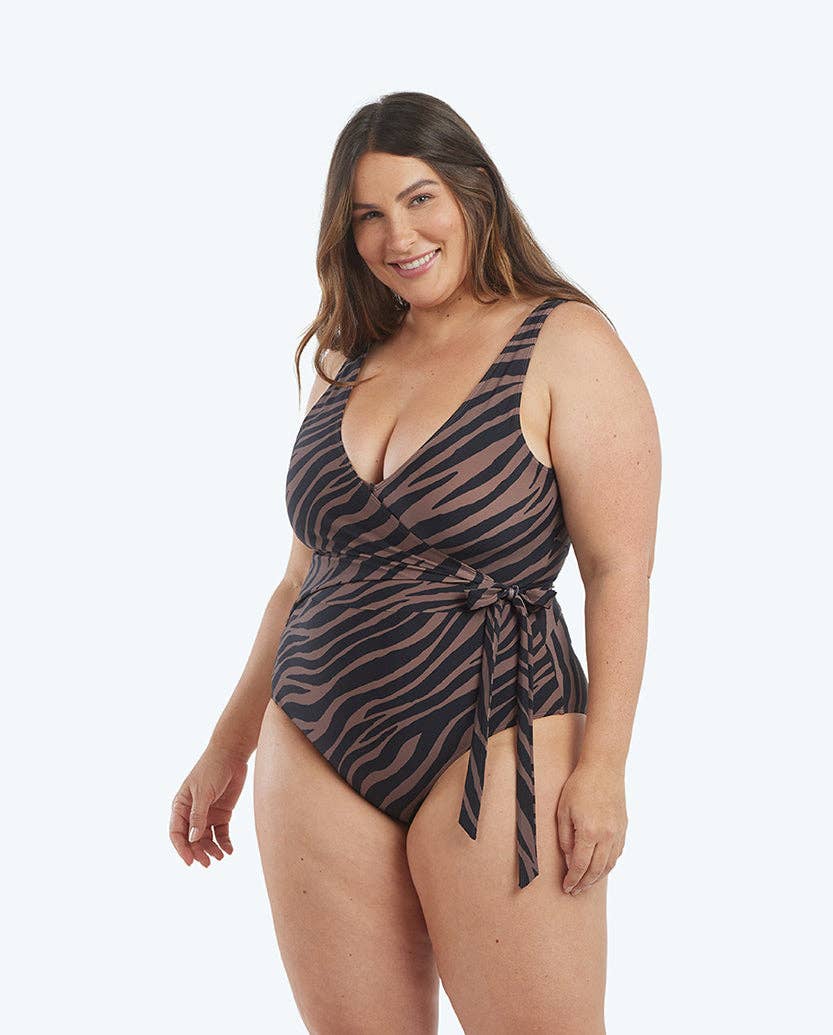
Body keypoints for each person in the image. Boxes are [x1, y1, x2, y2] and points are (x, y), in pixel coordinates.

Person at [170, 91, 661, 1034]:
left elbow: (618, 571)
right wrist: (227, 744)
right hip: (313, 731)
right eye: (367, 214)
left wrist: (603, 767)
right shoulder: (344, 359)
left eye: (419, 198)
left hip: (498, 728)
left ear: (474, 192)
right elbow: (297, 578)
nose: (397, 235)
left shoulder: (564, 342)